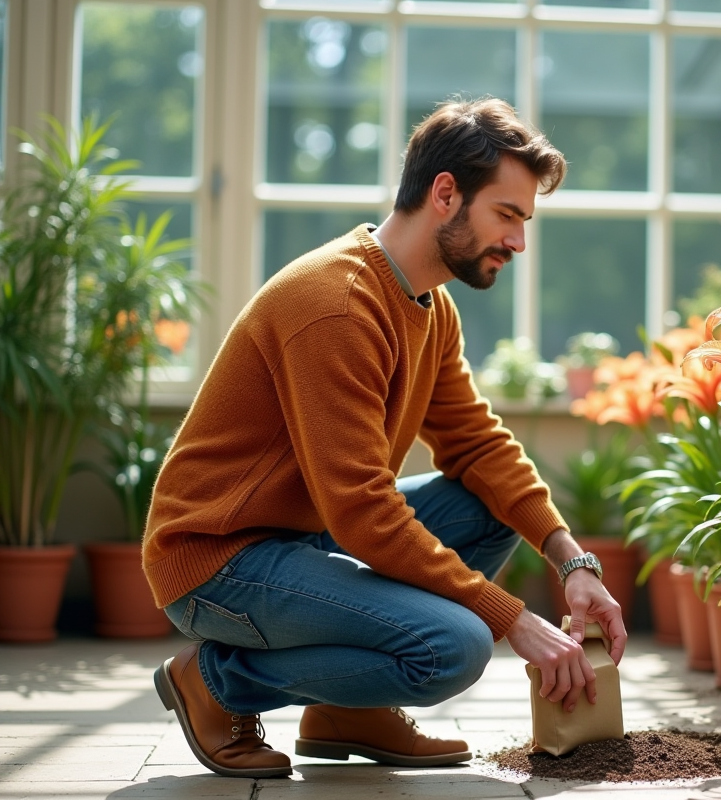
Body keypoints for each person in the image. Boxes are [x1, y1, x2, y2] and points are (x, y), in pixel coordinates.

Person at [142, 97, 627, 780]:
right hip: (219, 558)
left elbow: (478, 444)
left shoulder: (431, 306)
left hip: (300, 534)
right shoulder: (335, 304)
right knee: (454, 646)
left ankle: (349, 708)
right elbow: (363, 512)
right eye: (508, 216)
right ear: (446, 193)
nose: (519, 241)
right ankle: (215, 681)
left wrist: (572, 562)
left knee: (492, 506)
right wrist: (512, 618)